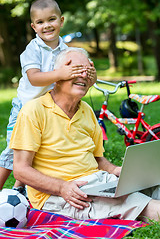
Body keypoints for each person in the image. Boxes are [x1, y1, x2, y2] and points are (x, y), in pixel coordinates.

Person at [10, 47, 160, 222]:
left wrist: (118, 171)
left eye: (87, 71)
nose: (83, 76)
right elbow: (20, 170)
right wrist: (62, 188)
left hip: (98, 183)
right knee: (148, 206)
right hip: (62, 196)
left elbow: (97, 159)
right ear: (58, 75)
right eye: (75, 70)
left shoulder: (86, 111)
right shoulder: (33, 111)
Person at [0, 0, 96, 194]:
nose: (47, 26)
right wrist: (60, 74)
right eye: (41, 22)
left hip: (50, 109)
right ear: (34, 26)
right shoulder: (32, 50)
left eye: (51, 19)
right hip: (25, 108)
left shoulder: (67, 50)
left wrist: (91, 77)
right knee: (13, 153)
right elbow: (34, 78)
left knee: (39, 151)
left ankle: (20, 191)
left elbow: (77, 77)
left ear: (61, 21)